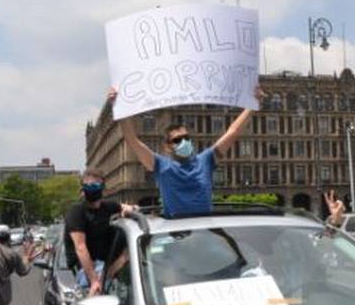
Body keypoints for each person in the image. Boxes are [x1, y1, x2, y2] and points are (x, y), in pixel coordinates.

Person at [109, 85, 265, 217]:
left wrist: (253, 104)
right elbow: (132, 140)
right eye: (177, 140)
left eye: (186, 138)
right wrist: (118, 106)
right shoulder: (161, 166)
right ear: (167, 146)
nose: (183, 142)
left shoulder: (206, 159)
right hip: (176, 231)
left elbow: (233, 132)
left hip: (204, 229)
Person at [65, 169, 135, 297]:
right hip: (87, 270)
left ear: (103, 188)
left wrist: (129, 209)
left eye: (95, 185)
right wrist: (94, 281)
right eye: (87, 185)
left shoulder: (107, 207)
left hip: (106, 263)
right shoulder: (76, 212)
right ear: (82, 189)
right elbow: (80, 247)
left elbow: (125, 207)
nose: (91, 188)